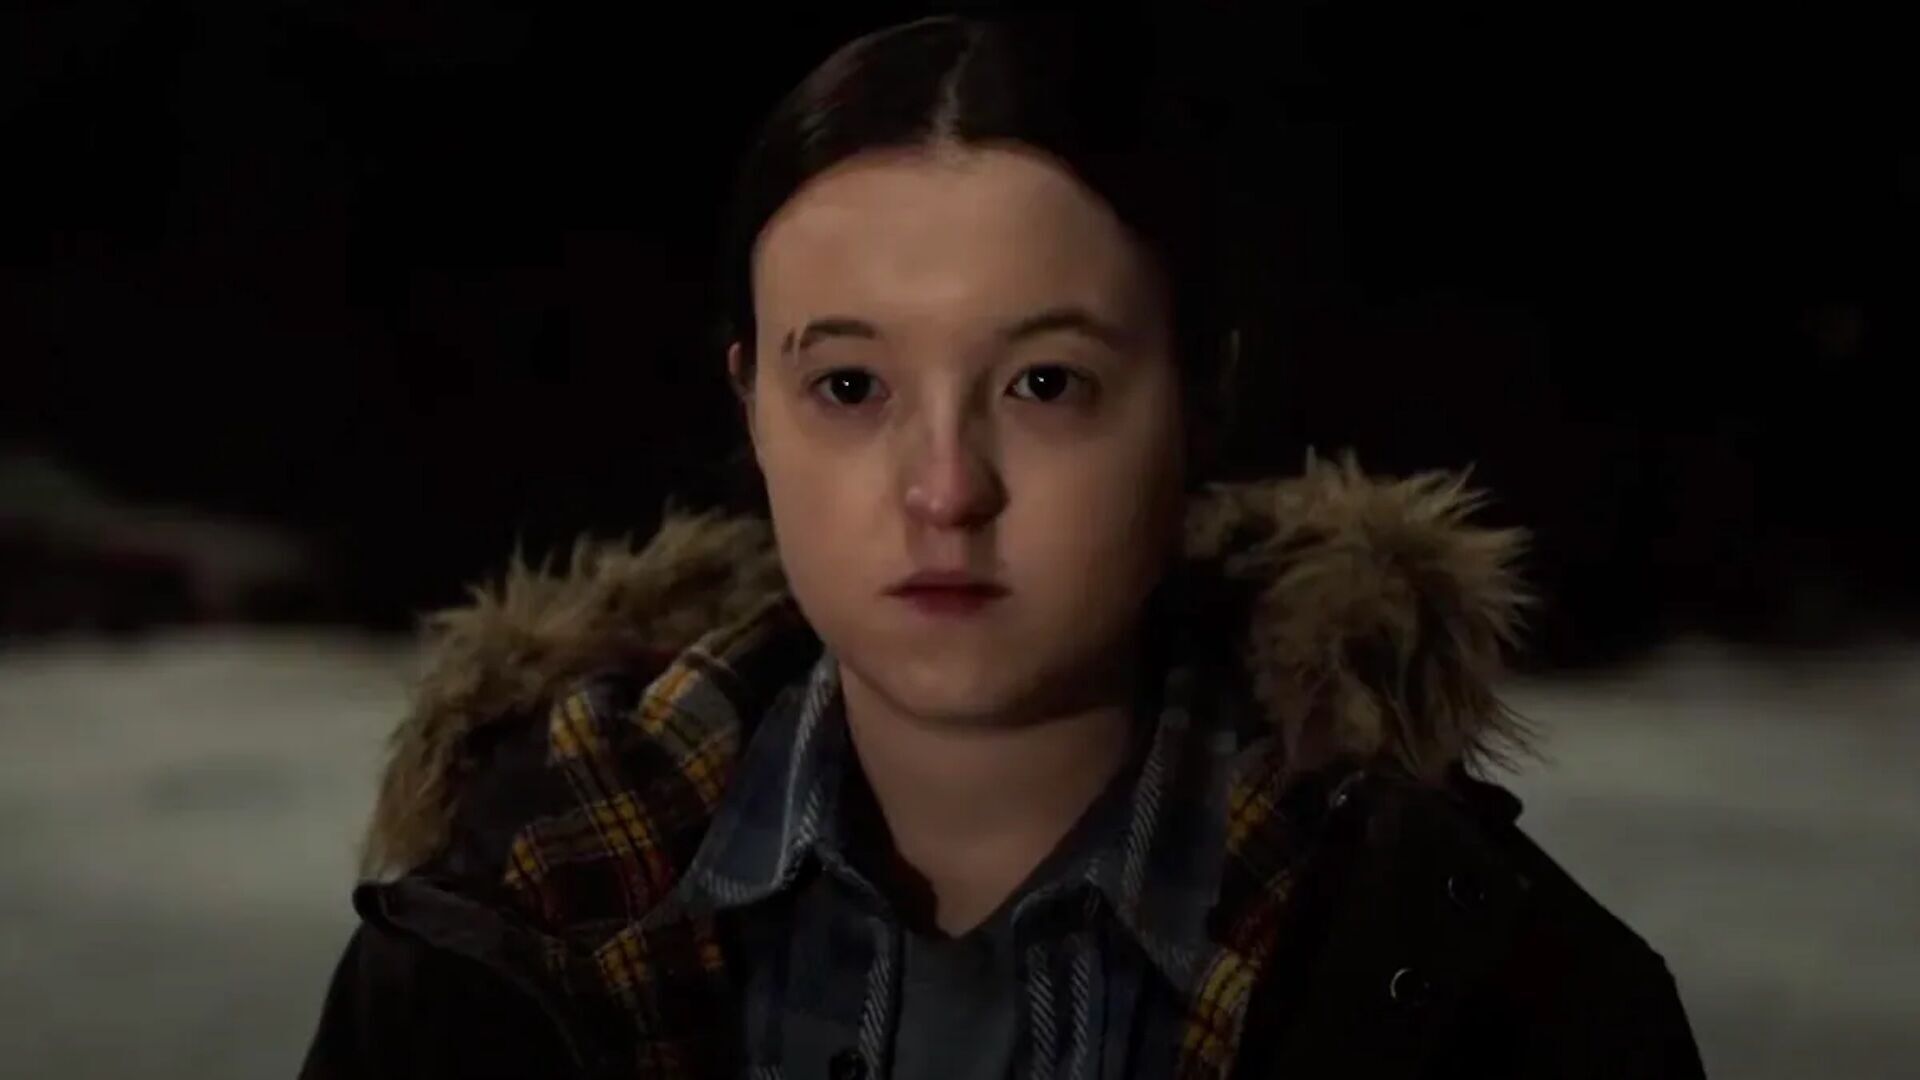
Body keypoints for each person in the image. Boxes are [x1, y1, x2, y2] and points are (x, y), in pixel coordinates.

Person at [299, 12, 1703, 1079]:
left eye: (1045, 383)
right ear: (752, 410)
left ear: (1198, 403)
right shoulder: (504, 939)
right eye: (851, 386)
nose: (947, 489)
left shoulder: (1475, 985)